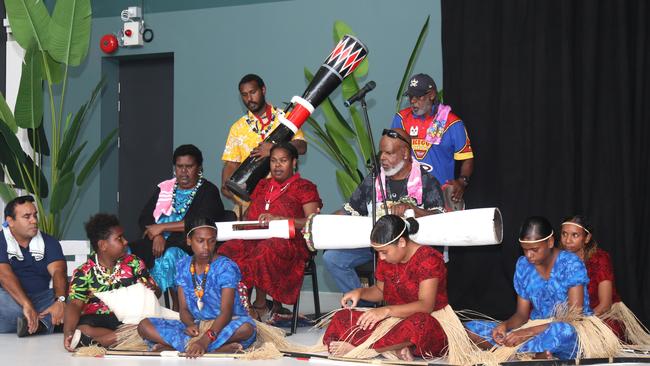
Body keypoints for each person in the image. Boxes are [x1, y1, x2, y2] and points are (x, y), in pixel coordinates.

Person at [322, 128, 444, 300]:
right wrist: (318, 224)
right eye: (381, 153)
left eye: (389, 153)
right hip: (377, 247)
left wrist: (414, 209)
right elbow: (350, 210)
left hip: (410, 249)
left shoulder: (426, 181)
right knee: (333, 258)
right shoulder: (374, 179)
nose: (382, 158)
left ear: (405, 153)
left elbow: (440, 219)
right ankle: (362, 307)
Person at [322, 215, 449, 361]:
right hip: (394, 319)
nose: (380, 258)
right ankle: (395, 349)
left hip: (428, 319)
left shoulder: (429, 259)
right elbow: (380, 291)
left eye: (384, 252)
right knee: (343, 316)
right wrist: (360, 292)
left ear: (401, 242)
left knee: (420, 324)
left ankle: (367, 349)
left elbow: (426, 306)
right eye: (378, 252)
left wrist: (386, 311)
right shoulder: (389, 258)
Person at [218, 142, 322, 320]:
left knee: (265, 249)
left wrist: (283, 220)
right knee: (226, 250)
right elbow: (251, 218)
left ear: (294, 163)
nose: (277, 165)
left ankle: (260, 305)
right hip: (256, 237)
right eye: (273, 161)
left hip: (291, 242)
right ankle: (241, 305)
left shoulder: (304, 187)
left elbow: (314, 223)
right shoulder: (262, 185)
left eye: (283, 161)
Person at [465, 216, 591, 359]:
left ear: (550, 242)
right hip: (532, 328)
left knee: (564, 332)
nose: (529, 255)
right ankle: (533, 355)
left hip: (568, 329)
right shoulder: (523, 265)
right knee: (471, 328)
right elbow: (522, 315)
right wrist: (505, 326)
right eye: (525, 250)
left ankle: (519, 354)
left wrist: (528, 333)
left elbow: (575, 317)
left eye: (534, 249)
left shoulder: (571, 263)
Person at [137, 217, 256, 358]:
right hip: (198, 326)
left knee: (246, 328)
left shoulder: (225, 267)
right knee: (144, 326)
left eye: (211, 241)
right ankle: (218, 348)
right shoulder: (183, 265)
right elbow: (184, 309)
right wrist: (189, 325)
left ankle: (181, 346)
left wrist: (205, 340)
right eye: (200, 241)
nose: (206, 247)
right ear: (189, 240)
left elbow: (226, 312)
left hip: (225, 324)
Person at [130, 144, 225, 308]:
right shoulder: (165, 188)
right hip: (155, 242)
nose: (183, 172)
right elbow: (144, 218)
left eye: (189, 167)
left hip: (187, 245)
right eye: (180, 166)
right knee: (127, 252)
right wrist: (157, 235)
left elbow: (201, 222)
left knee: (169, 255)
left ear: (199, 168)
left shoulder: (208, 190)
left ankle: (173, 307)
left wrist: (163, 228)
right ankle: (127, 303)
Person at [64, 213, 159, 351]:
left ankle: (98, 343)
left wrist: (153, 289)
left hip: (132, 319)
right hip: (101, 323)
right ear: (102, 245)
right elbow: (74, 304)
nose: (125, 241)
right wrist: (68, 332)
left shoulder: (134, 263)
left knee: (146, 323)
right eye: (119, 238)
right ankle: (134, 338)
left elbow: (156, 293)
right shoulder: (83, 272)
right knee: (83, 328)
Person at [560, 215, 650, 344]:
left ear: (587, 238)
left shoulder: (599, 259)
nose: (568, 240)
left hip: (599, 316)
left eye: (574, 235)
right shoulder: (558, 260)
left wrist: (581, 324)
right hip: (569, 317)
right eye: (564, 234)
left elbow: (605, 305)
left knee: (607, 332)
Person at [221, 74, 307, 205]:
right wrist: (228, 188)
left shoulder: (286, 117)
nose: (249, 99)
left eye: (253, 92)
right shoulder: (237, 127)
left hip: (285, 195)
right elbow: (231, 163)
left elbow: (301, 146)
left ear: (263, 90)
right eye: (244, 95)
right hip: (250, 202)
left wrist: (273, 149)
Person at [391, 73, 474, 206]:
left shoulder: (452, 123)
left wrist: (462, 181)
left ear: (432, 95)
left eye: (418, 97)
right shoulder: (401, 119)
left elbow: (467, 157)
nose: (413, 101)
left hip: (440, 197)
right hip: (407, 197)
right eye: (411, 96)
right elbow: (392, 152)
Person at [0, 195, 67, 337]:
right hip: (11, 301)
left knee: (78, 292)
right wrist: (26, 304)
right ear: (10, 221)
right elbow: (4, 275)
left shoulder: (49, 242)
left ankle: (37, 325)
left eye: (35, 215)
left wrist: (60, 300)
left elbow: (58, 272)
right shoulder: (1, 241)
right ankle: (49, 322)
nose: (34, 221)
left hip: (42, 299)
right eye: (27, 216)